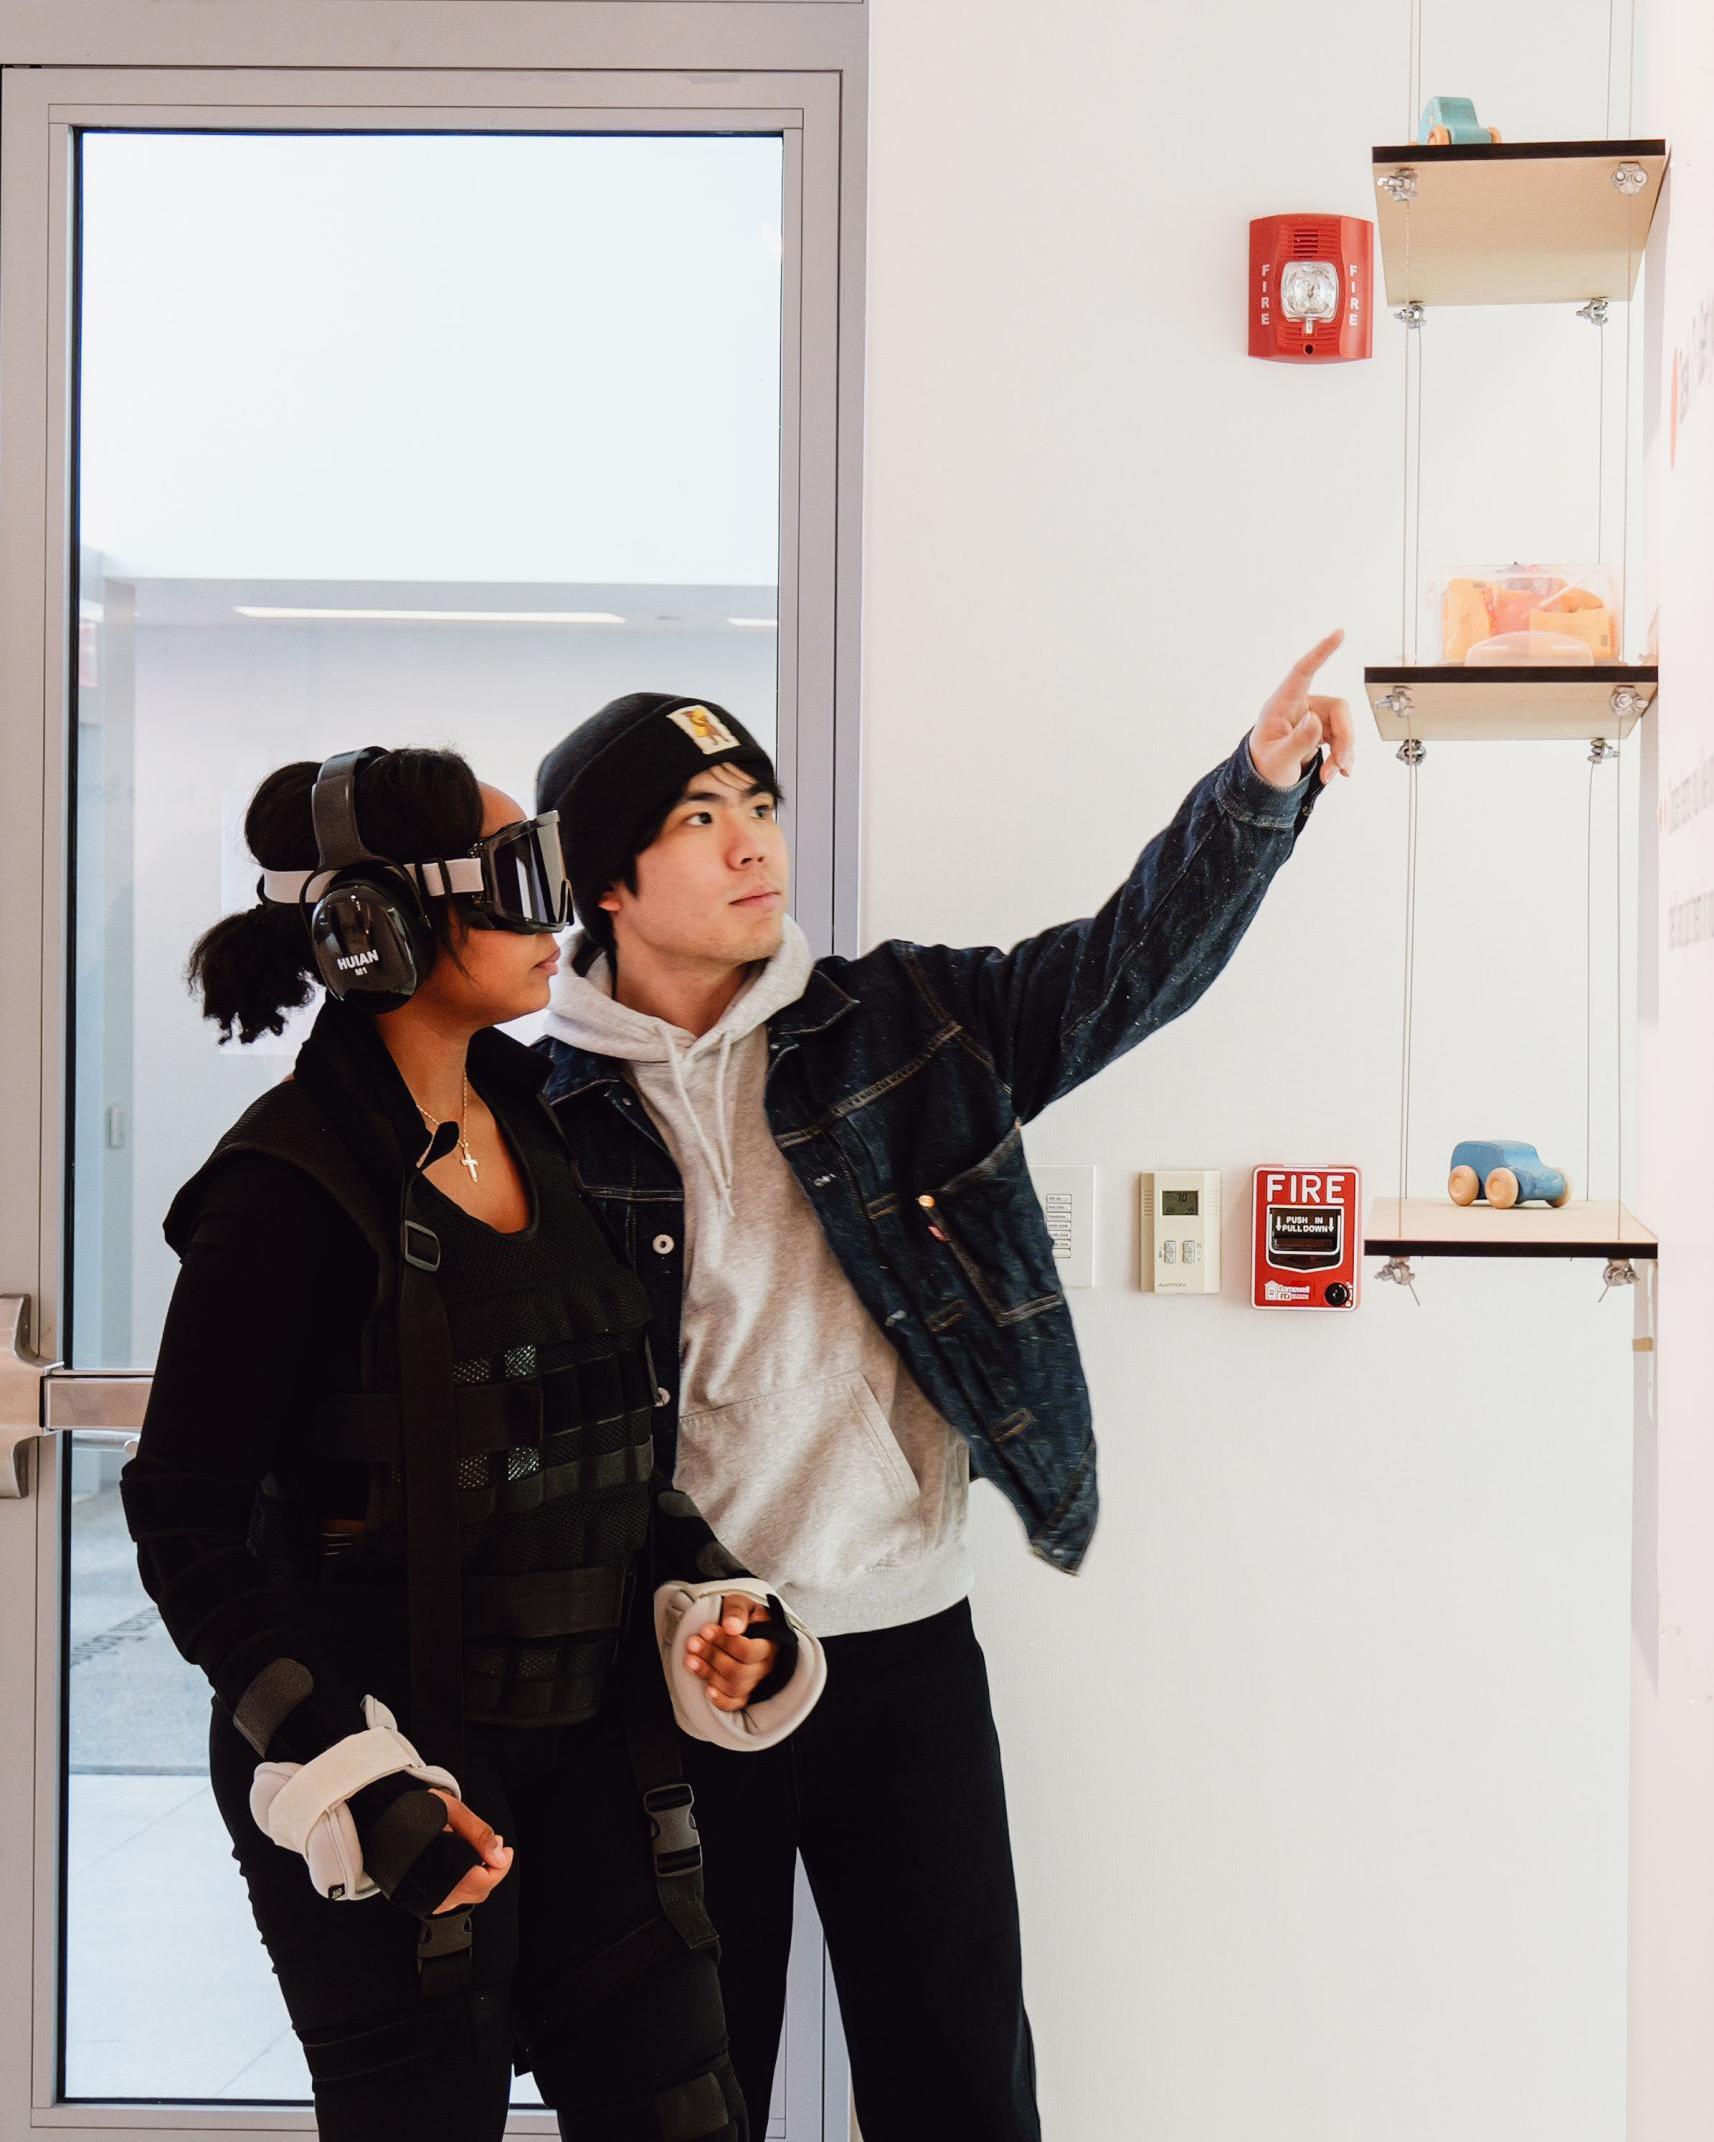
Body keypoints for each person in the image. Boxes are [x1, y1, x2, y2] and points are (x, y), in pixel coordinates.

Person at [530, 639, 1355, 2140]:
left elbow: (1116, 971)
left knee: (960, 2088)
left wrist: (1254, 792)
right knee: (685, 2096)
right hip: (674, 1676)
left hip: (904, 1645)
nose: (751, 838)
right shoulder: (542, 1121)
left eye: (758, 801)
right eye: (697, 815)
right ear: (606, 879)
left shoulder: (901, 1026)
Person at [122, 744, 824, 2142]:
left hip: (594, 1756)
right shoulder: (283, 1189)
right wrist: (343, 1766)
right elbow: (181, 1513)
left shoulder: (543, 1123)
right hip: (393, 1767)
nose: (553, 918)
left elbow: (604, 1432)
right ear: (370, 927)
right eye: (517, 881)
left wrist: (715, 1600)